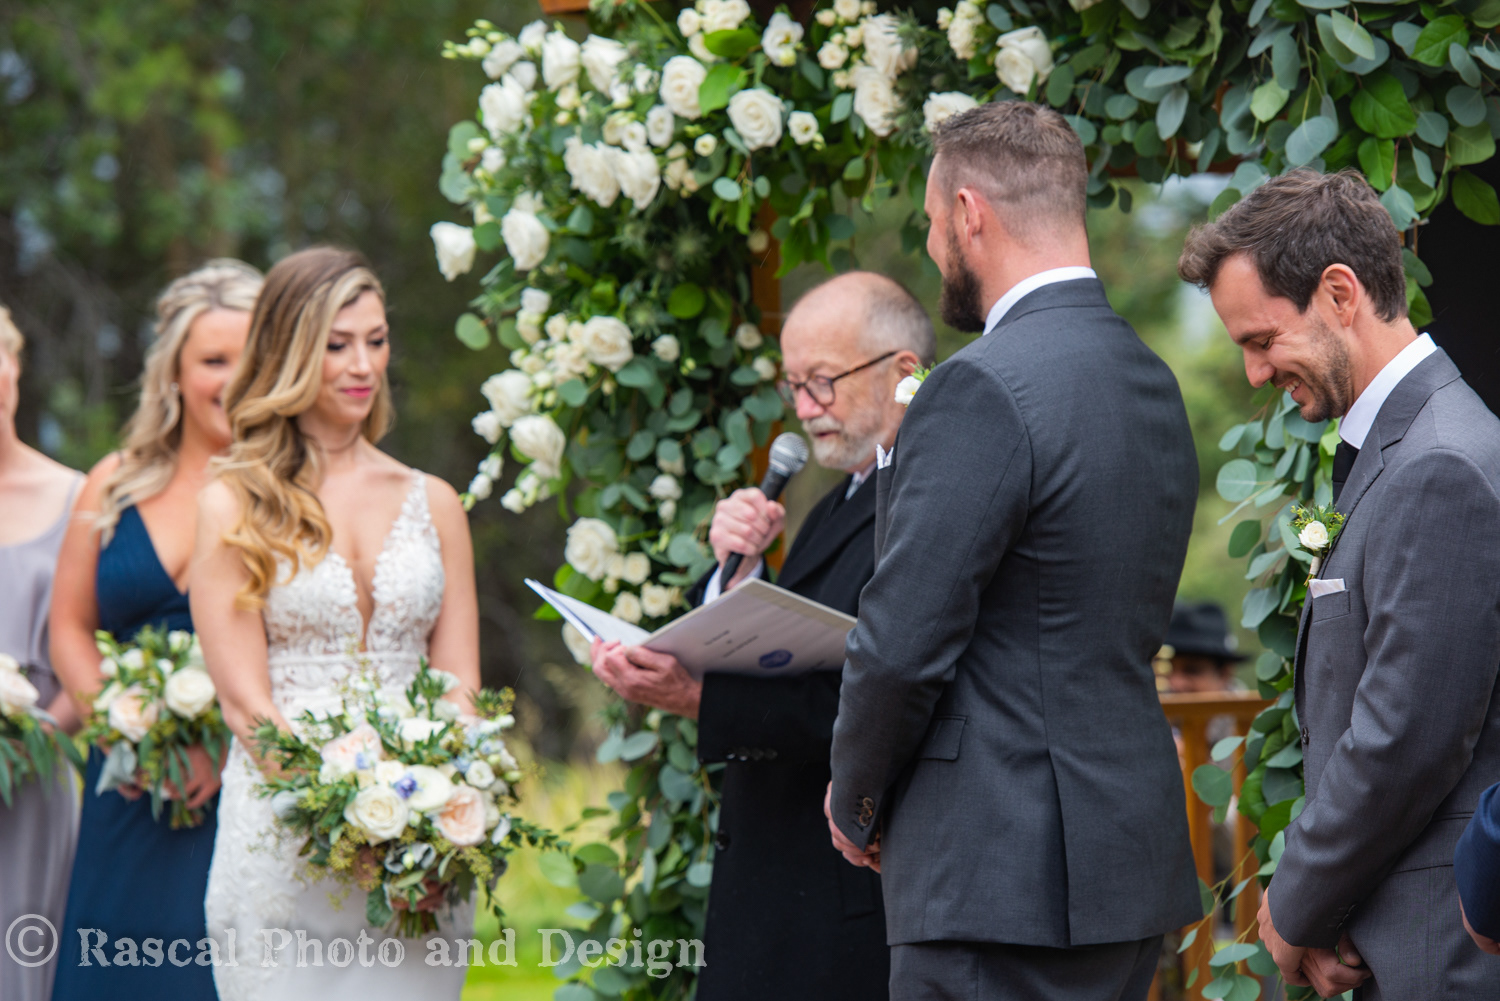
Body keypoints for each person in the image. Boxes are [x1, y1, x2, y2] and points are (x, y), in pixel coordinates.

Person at [825, 101, 1201, 1001]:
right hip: (1121, 866)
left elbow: (902, 640)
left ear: (969, 213)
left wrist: (856, 799)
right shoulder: (1152, 379)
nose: (931, 247)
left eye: (928, 223)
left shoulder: (979, 388)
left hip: (991, 873)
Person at [1180, 168, 1500, 999]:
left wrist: (1292, 912)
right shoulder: (1412, 442)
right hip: (1386, 931)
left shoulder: (1440, 463)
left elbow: (1405, 736)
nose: (1254, 373)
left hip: (1440, 945)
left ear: (1339, 292)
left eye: (1262, 339)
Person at [589, 271, 933, 999]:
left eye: (823, 382)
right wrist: (734, 575)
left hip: (839, 910)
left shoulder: (929, 496)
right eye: (793, 386)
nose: (804, 410)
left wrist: (700, 699)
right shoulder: (837, 501)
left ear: (904, 372)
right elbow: (777, 642)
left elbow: (876, 694)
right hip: (775, 893)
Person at [194, 246, 480, 998]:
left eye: (376, 340)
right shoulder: (234, 503)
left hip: (420, 848)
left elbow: (460, 687)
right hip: (283, 838)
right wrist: (349, 831)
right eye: (337, 344)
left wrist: (425, 835)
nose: (364, 364)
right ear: (289, 351)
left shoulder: (436, 501)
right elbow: (245, 704)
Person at [50, 259, 261, 1001]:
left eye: (251, 358)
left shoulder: (287, 492)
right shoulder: (114, 481)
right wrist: (125, 725)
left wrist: (232, 747)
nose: (233, 380)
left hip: (245, 793)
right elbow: (71, 629)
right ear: (173, 372)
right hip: (129, 790)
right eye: (213, 360)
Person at [0, 303, 83, 1001]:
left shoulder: (77, 498)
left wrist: (36, 737)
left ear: (16, 367)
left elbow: (94, 652)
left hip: (33, 772)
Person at [1162, 602, 1247, 696]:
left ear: (1224, 674)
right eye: (1165, 670)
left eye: (1192, 670)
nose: (1176, 684)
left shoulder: (1253, 710)